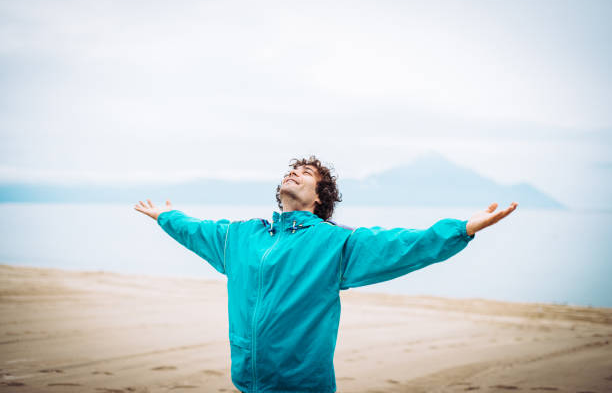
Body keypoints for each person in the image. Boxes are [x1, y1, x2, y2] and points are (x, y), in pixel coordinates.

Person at [134, 155, 518, 393]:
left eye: (305, 172)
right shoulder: (241, 236)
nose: (293, 173)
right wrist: (167, 217)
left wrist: (463, 228)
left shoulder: (335, 244)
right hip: (247, 382)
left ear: (320, 197)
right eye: (291, 169)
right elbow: (196, 229)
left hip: (303, 387)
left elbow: (403, 244)